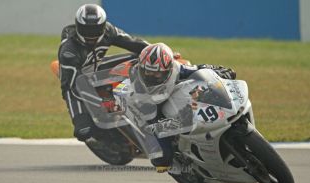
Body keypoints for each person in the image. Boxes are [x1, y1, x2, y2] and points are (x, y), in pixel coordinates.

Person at [127, 43, 236, 172]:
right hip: (151, 109)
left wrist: (220, 71)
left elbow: (199, 69)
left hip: (174, 96)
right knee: (162, 160)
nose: (152, 76)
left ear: (169, 68)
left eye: (157, 74)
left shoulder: (176, 68)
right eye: (148, 72)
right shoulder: (136, 82)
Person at [58, 4, 149, 143]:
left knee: (141, 58)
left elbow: (134, 43)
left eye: (95, 29)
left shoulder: (108, 30)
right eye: (86, 29)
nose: (91, 35)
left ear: (103, 25)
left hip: (97, 67)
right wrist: (101, 104)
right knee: (83, 131)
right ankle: (107, 139)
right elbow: (72, 88)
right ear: (78, 27)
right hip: (76, 82)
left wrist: (158, 51)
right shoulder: (69, 51)